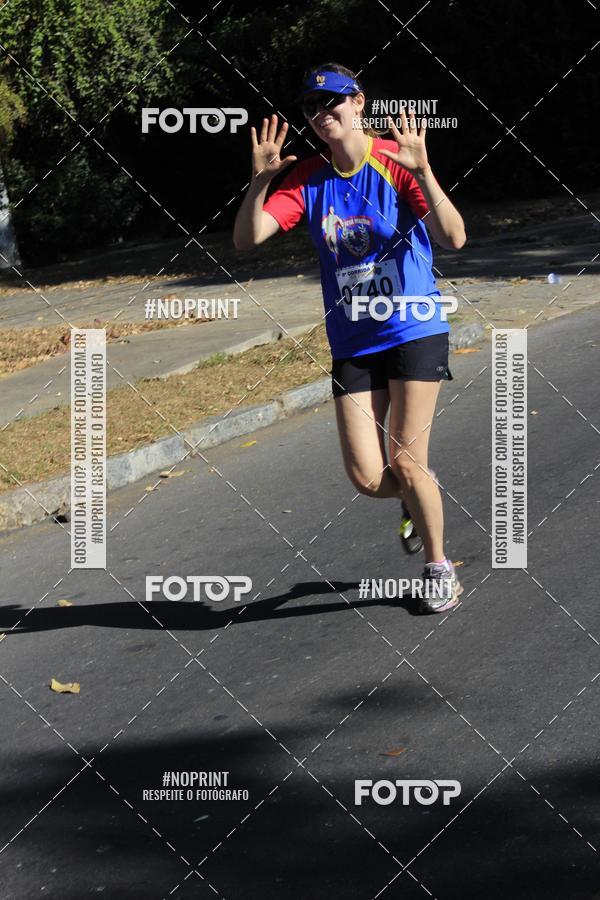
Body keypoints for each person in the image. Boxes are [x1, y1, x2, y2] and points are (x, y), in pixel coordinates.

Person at [233, 62, 467, 613]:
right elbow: (248, 239)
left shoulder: (396, 160)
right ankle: (419, 492)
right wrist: (261, 180)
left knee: (405, 459)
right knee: (367, 476)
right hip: (354, 343)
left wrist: (426, 170)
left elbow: (454, 237)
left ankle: (439, 567)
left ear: (358, 102)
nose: (321, 115)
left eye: (331, 102)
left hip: (413, 328)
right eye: (311, 108)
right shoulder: (308, 177)